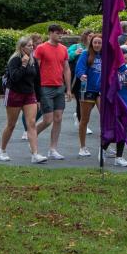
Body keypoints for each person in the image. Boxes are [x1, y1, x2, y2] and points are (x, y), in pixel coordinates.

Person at [0, 36, 47, 164]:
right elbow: (15, 78)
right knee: (11, 124)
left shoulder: (34, 60)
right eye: (29, 46)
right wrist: (24, 65)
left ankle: (35, 154)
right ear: (22, 47)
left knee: (31, 123)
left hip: (29, 94)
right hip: (14, 93)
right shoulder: (14, 60)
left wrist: (39, 98)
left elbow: (37, 80)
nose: (32, 47)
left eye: (32, 45)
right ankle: (2, 150)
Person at [33, 24, 72, 160]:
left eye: (61, 33)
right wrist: (35, 90)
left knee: (58, 118)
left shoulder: (63, 49)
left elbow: (66, 69)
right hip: (45, 87)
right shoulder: (41, 48)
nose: (60, 35)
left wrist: (68, 88)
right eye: (57, 33)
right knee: (47, 120)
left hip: (59, 87)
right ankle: (32, 137)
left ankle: (53, 149)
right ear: (50, 33)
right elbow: (35, 70)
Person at [99, 44, 127, 167]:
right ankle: (103, 149)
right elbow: (99, 83)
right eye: (123, 58)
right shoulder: (109, 69)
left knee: (123, 130)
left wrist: (125, 69)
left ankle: (119, 157)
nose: (125, 60)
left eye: (126, 58)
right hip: (113, 105)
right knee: (114, 129)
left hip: (126, 104)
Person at [73, 36, 102, 157]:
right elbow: (79, 69)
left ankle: (105, 145)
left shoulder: (105, 56)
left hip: (101, 91)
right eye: (95, 42)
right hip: (87, 90)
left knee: (105, 119)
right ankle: (82, 147)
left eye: (99, 43)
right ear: (91, 43)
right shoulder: (85, 54)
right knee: (84, 119)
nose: (97, 45)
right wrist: (82, 75)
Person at [68, 30, 92, 126]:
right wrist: (75, 53)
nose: (91, 37)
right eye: (90, 36)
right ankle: (82, 122)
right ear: (85, 36)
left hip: (91, 78)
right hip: (78, 79)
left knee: (90, 102)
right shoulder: (76, 46)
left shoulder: (95, 48)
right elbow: (67, 57)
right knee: (80, 100)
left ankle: (78, 116)